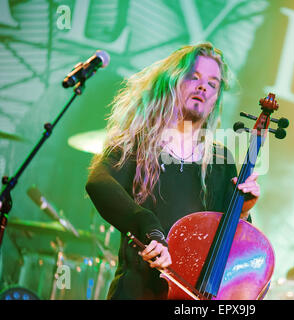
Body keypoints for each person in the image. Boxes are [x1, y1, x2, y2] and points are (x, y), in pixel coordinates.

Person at [85, 42, 260, 300]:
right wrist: (148, 226)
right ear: (173, 83)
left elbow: (230, 248)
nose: (203, 87)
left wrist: (243, 211)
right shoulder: (138, 144)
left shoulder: (221, 160)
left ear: (215, 101)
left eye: (213, 84)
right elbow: (98, 182)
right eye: (194, 77)